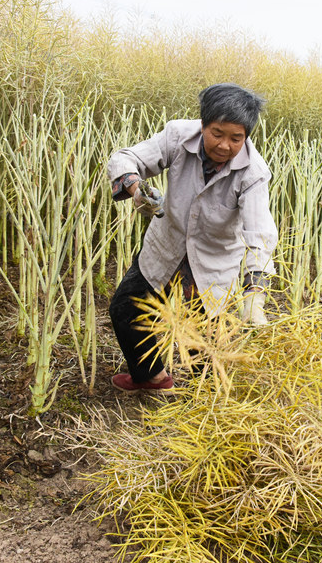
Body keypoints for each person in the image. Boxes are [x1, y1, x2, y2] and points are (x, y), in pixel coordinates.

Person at [105, 83, 278, 392]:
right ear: (203, 124)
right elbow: (125, 158)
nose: (225, 145)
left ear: (246, 136)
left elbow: (260, 234)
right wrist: (137, 189)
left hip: (212, 260)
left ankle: (204, 400)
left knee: (202, 342)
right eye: (217, 134)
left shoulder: (254, 173)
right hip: (166, 244)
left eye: (236, 138)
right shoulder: (177, 136)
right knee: (126, 309)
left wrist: (255, 294)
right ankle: (151, 377)